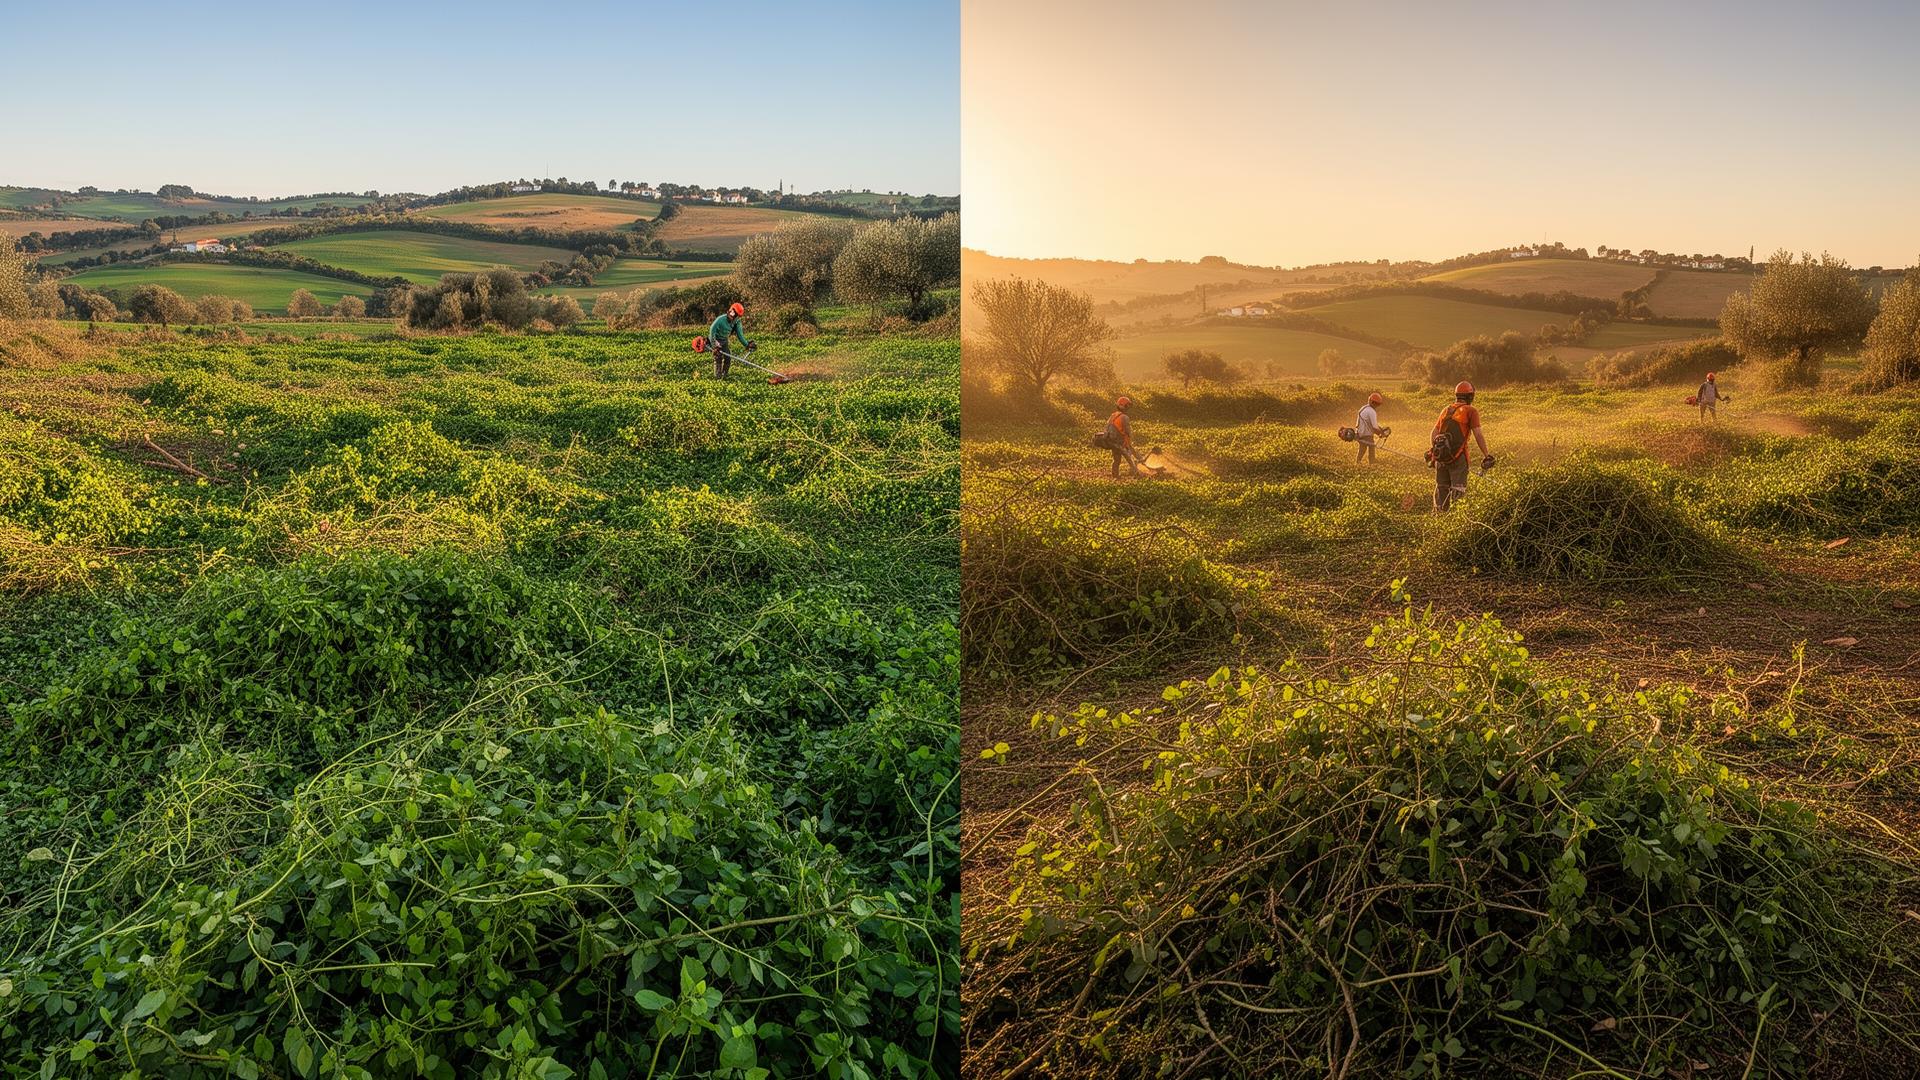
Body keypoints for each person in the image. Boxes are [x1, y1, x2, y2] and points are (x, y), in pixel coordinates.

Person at [1426, 381, 1492, 511]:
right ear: (1470, 396)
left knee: (1441, 488)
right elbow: (1478, 434)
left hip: (1441, 458)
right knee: (1458, 491)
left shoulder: (1446, 410)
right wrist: (1486, 455)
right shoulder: (1471, 411)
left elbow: (1434, 432)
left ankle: (1439, 518)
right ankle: (1455, 519)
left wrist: (1434, 451)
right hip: (1458, 457)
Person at [1106, 395, 1148, 479]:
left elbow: (1107, 427)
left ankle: (1115, 475)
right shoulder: (1124, 417)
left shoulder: (1113, 415)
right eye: (1127, 406)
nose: (1128, 408)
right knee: (1129, 458)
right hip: (1121, 442)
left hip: (1112, 442)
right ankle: (1137, 474)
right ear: (1125, 406)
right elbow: (1127, 432)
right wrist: (1129, 444)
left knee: (1116, 460)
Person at [708, 302, 754, 379]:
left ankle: (724, 375)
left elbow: (740, 335)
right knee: (718, 356)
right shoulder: (720, 319)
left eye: (736, 316)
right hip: (716, 339)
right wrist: (714, 346)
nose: (733, 317)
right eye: (732, 314)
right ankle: (717, 377)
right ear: (730, 311)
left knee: (728, 357)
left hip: (724, 340)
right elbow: (712, 331)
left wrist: (747, 344)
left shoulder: (737, 322)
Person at [1354, 392, 1391, 463]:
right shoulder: (1372, 412)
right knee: (1371, 447)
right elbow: (1374, 427)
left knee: (1362, 448)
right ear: (1376, 404)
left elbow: (1372, 424)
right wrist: (1381, 434)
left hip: (1359, 432)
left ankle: (1358, 461)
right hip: (1366, 434)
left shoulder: (1363, 408)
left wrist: (1381, 430)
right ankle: (1372, 462)